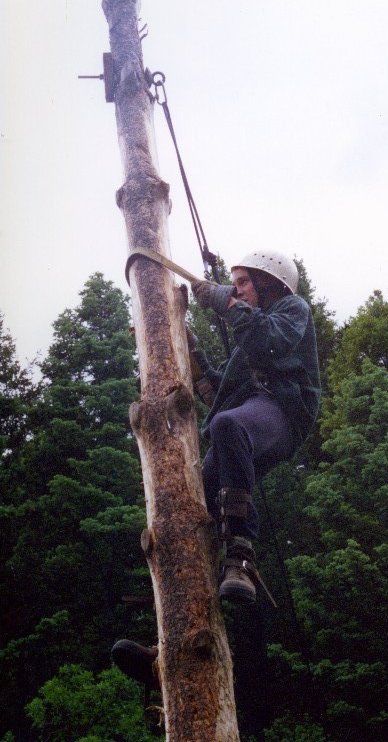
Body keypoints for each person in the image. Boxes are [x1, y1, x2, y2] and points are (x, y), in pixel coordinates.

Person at [111, 249, 320, 683]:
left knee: (228, 426)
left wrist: (225, 301)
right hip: (244, 422)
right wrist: (193, 349)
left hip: (283, 411)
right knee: (191, 507)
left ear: (269, 283)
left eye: (244, 282)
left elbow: (270, 340)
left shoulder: (291, 310)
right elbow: (214, 390)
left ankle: (240, 554)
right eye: (236, 284)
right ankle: (169, 642)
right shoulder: (247, 342)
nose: (238, 289)